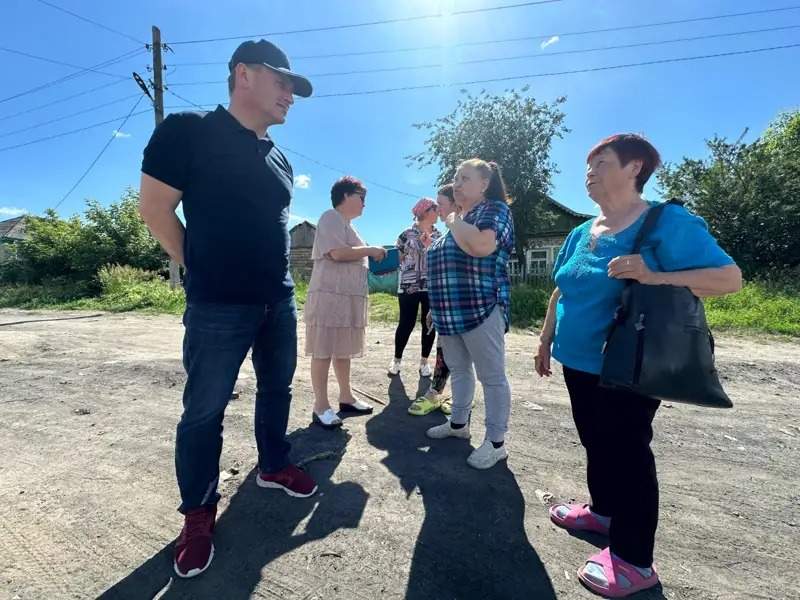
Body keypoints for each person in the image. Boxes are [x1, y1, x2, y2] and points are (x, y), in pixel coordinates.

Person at [139, 39, 317, 579]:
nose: (290, 94)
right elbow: (155, 209)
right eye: (282, 82)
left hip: (278, 297)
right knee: (204, 410)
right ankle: (197, 513)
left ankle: (273, 464)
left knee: (278, 388)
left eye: (293, 87)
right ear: (244, 74)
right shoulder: (188, 131)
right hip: (217, 302)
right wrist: (198, 267)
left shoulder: (280, 156)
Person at [535, 133, 742, 597]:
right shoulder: (580, 232)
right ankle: (604, 513)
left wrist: (654, 274)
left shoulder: (665, 222)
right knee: (595, 440)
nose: (588, 172)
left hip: (629, 365)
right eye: (587, 166)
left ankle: (634, 561)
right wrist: (546, 338)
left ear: (635, 167)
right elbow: (561, 288)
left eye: (600, 162)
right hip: (578, 362)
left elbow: (729, 279)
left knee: (627, 454)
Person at [425, 159, 515, 470]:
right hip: (449, 313)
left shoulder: (494, 211)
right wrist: (434, 310)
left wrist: (452, 220)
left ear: (484, 184)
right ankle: (458, 424)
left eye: (465, 178)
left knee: (492, 377)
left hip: (482, 307)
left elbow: (480, 246)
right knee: (460, 371)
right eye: (455, 177)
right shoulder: (462, 218)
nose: (457, 183)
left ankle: (496, 443)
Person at [305, 176, 386, 429]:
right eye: (361, 198)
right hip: (329, 296)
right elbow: (337, 253)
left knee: (343, 350)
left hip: (346, 299)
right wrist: (371, 250)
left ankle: (346, 397)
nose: (364, 204)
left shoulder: (349, 226)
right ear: (346, 196)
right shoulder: (330, 216)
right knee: (323, 350)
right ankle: (320, 406)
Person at [408, 184, 456, 416]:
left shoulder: (463, 230)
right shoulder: (444, 234)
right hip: (442, 303)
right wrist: (435, 307)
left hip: (464, 305)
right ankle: (437, 392)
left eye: (441, 205)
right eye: (435, 207)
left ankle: (458, 399)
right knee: (444, 347)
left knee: (466, 356)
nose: (438, 211)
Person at [387, 197, 441, 377]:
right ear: (426, 211)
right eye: (435, 208)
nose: (438, 211)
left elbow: (441, 259)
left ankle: (424, 362)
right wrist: (410, 250)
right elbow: (397, 258)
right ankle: (396, 360)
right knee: (406, 323)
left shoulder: (439, 235)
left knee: (429, 324)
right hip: (409, 285)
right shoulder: (406, 234)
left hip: (431, 286)